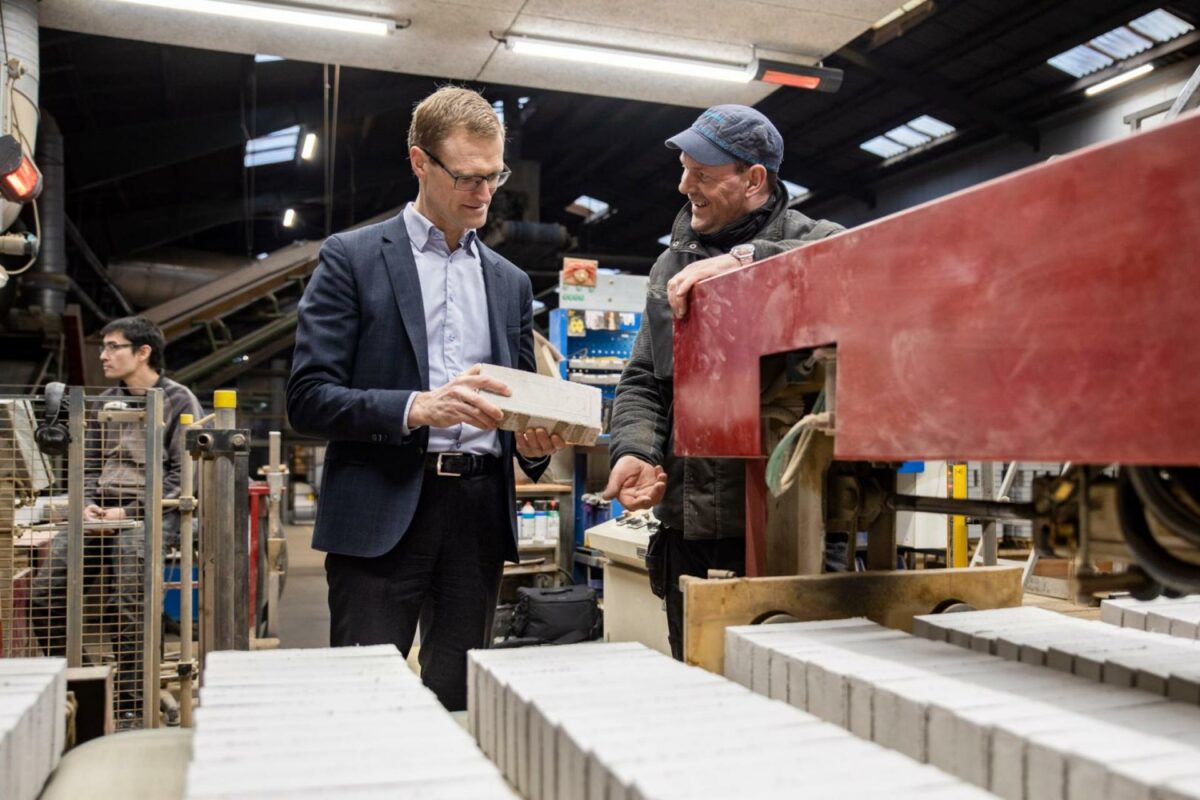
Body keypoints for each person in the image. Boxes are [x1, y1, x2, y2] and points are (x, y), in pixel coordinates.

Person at [286, 86, 563, 711]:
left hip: (477, 517)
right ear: (420, 163)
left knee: (461, 700)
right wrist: (417, 407)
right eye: (467, 176)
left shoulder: (510, 282)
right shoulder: (352, 259)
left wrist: (535, 445)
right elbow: (307, 398)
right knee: (365, 703)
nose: (483, 193)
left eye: (494, 176)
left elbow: (520, 401)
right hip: (381, 510)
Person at [603, 105, 844, 660]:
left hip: (797, 526)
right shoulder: (670, 265)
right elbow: (645, 377)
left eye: (703, 174)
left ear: (754, 178)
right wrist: (634, 449)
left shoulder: (816, 238)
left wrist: (746, 262)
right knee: (703, 685)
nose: (684, 185)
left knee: (802, 689)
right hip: (690, 529)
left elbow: (852, 264)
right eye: (685, 169)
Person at [31, 316, 202, 721]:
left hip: (150, 514)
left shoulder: (178, 401)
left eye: (113, 347)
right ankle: (84, 685)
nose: (104, 355)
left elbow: (182, 475)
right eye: (104, 346)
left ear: (143, 353)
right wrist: (87, 504)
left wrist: (129, 512)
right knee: (44, 596)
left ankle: (131, 704)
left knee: (129, 603)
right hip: (100, 511)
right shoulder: (102, 400)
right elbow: (88, 466)